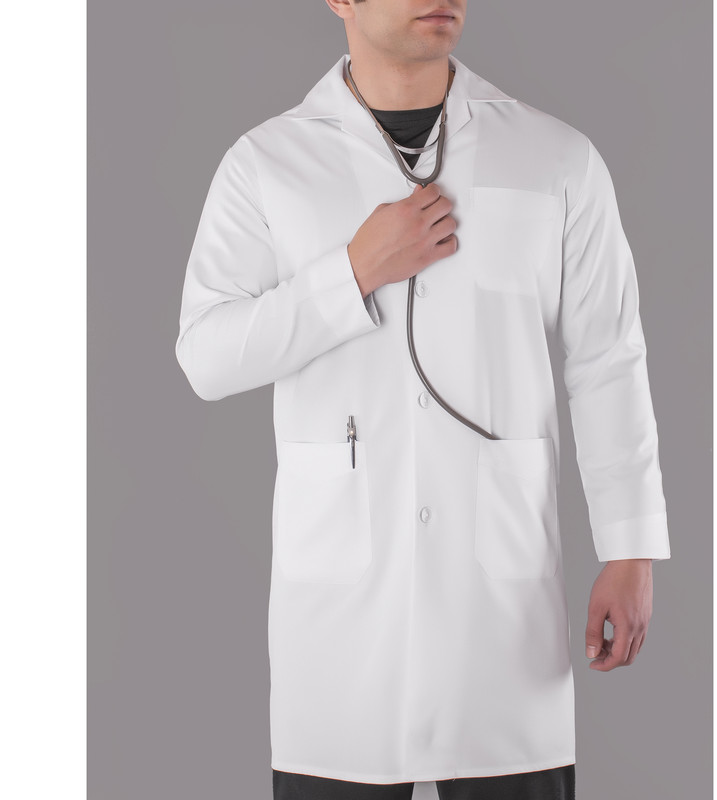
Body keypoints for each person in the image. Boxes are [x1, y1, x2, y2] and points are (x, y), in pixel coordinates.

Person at [174, 1, 671, 798]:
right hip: (339, 625)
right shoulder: (266, 164)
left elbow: (608, 357)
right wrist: (352, 273)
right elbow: (205, 355)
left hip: (501, 605)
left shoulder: (555, 158)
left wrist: (630, 547)